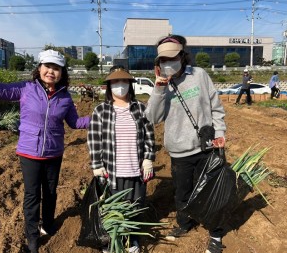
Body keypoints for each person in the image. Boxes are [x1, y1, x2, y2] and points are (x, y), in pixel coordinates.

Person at [0, 44, 91, 253]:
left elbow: (74, 122)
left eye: (56, 68)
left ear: (62, 72)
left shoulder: (65, 97)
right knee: (32, 196)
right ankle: (32, 236)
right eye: (47, 66)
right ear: (39, 68)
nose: (51, 71)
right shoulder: (25, 89)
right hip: (29, 153)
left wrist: (97, 118)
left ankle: (48, 225)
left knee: (50, 193)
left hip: (53, 153)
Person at [145, 35, 227, 253]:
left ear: (182, 56)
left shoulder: (199, 75)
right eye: (163, 60)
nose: (168, 63)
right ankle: (184, 224)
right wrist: (159, 89)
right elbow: (153, 118)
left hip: (207, 146)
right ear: (158, 63)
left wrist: (220, 133)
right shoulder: (162, 86)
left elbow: (216, 108)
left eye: (172, 57)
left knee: (210, 191)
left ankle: (215, 233)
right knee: (182, 192)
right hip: (179, 151)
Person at [87, 66, 155, 253]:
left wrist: (148, 159)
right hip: (112, 172)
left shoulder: (140, 108)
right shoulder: (101, 110)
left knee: (134, 207)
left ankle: (132, 240)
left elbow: (149, 135)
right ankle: (110, 241)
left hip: (135, 170)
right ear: (109, 86)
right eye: (115, 82)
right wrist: (97, 165)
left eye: (124, 81)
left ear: (130, 84)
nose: (120, 86)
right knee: (111, 208)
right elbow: (94, 139)